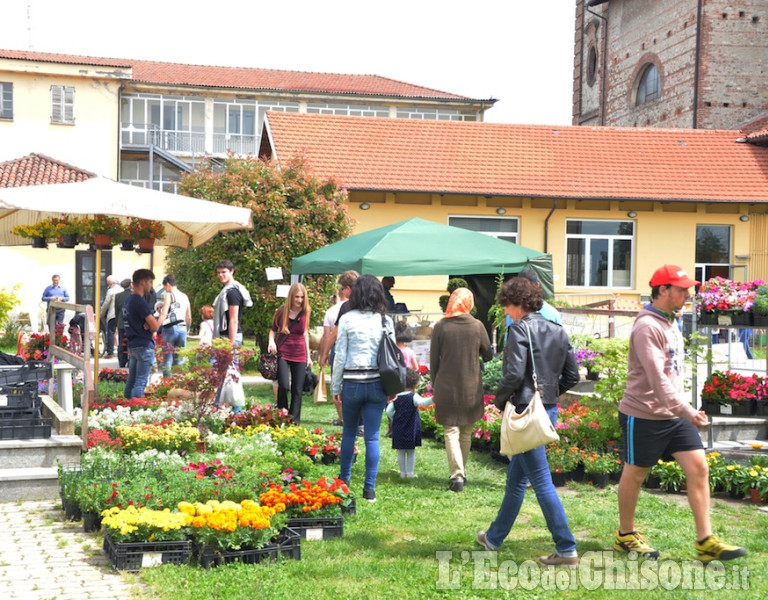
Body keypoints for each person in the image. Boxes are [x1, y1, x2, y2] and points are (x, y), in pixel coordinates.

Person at [613, 264, 746, 562]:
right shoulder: (648, 326)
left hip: (673, 415)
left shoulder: (670, 320)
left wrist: (682, 410)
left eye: (689, 288)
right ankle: (625, 535)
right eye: (682, 289)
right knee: (635, 474)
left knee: (699, 468)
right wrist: (686, 410)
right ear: (663, 290)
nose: (688, 293)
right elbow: (657, 378)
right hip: (644, 413)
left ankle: (705, 541)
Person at [476, 277, 580, 566]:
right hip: (546, 412)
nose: (506, 312)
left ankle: (566, 547)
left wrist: (497, 403)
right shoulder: (559, 330)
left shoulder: (520, 329)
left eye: (508, 306)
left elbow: (512, 375)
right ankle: (494, 537)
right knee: (516, 479)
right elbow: (572, 376)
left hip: (525, 412)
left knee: (542, 482)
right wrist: (546, 396)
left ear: (520, 303)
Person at [332, 274, 394, 503]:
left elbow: (340, 356)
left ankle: (343, 483)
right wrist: (391, 385)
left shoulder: (347, 319)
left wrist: (336, 385)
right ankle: (369, 490)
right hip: (377, 384)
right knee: (372, 438)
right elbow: (392, 356)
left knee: (349, 433)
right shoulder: (385, 321)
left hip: (351, 383)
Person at [430, 288, 493, 492]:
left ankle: (457, 475)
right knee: (465, 431)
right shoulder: (477, 326)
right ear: (469, 303)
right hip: (471, 387)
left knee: (450, 430)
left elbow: (433, 360)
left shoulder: (441, 326)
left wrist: (434, 384)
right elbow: (489, 354)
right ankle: (460, 474)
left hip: (446, 386)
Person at [319, 270, 359, 426]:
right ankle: (357, 422)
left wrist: (324, 354)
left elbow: (333, 334)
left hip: (345, 352)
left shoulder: (347, 307)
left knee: (341, 386)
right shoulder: (371, 305)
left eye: (342, 288)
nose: (341, 292)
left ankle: (344, 418)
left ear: (348, 288)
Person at [268, 283, 311, 424]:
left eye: (302, 297)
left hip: (299, 353)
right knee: (284, 385)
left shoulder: (306, 311)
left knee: (297, 389)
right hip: (283, 352)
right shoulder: (282, 311)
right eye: (297, 297)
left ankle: (294, 420)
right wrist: (271, 342)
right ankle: (282, 413)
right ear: (291, 297)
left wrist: (309, 356)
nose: (299, 300)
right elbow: (273, 329)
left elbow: (305, 334)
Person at [386, 368, 432, 478]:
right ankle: (410, 473)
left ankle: (402, 473)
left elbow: (388, 411)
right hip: (411, 427)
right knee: (411, 451)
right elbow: (424, 402)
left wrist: (395, 418)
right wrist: (435, 398)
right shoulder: (413, 396)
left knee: (401, 451)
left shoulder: (397, 397)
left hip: (399, 427)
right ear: (416, 384)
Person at [123, 269, 159, 399]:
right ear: (143, 282)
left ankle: (126, 407)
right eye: (150, 282)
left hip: (132, 343)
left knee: (131, 380)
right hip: (144, 344)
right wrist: (154, 321)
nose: (151, 285)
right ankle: (136, 408)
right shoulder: (140, 301)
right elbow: (154, 326)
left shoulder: (128, 300)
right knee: (140, 382)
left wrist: (147, 323)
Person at [155, 274, 192, 377]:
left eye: (164, 288)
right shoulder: (184, 296)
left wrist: (156, 328)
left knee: (167, 358)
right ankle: (179, 382)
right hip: (183, 327)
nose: (165, 290)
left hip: (170, 328)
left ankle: (167, 384)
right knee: (179, 358)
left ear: (167, 285)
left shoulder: (169, 295)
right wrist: (187, 329)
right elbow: (188, 316)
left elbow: (164, 314)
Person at [212, 259, 253, 347]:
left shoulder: (233, 292)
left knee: (231, 361)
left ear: (232, 271)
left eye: (224, 272)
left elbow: (234, 319)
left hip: (231, 336)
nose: (221, 275)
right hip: (224, 335)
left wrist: (230, 343)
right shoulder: (225, 291)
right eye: (218, 273)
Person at [100, 275, 122, 358]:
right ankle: (121, 352)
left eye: (108, 284)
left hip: (112, 315)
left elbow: (106, 304)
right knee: (120, 333)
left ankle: (110, 352)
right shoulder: (121, 290)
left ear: (111, 284)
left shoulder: (111, 291)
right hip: (121, 315)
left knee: (110, 333)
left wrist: (101, 314)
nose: (108, 286)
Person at [113, 278, 132, 368]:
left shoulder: (118, 296)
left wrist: (117, 322)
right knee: (131, 342)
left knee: (121, 341)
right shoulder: (134, 295)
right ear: (131, 284)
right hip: (132, 323)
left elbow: (116, 311)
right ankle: (131, 361)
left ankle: (122, 361)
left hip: (121, 322)